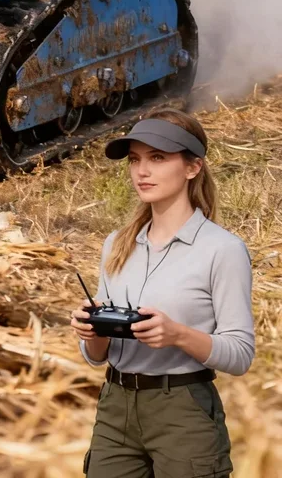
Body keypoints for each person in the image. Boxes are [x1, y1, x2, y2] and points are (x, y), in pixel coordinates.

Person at [71, 108, 254, 477]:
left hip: (183, 411)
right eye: (136, 160)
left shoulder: (223, 249)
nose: (142, 171)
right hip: (115, 409)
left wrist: (178, 335)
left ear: (192, 167)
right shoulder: (116, 245)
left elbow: (240, 355)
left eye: (158, 158)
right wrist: (92, 331)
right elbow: (98, 356)